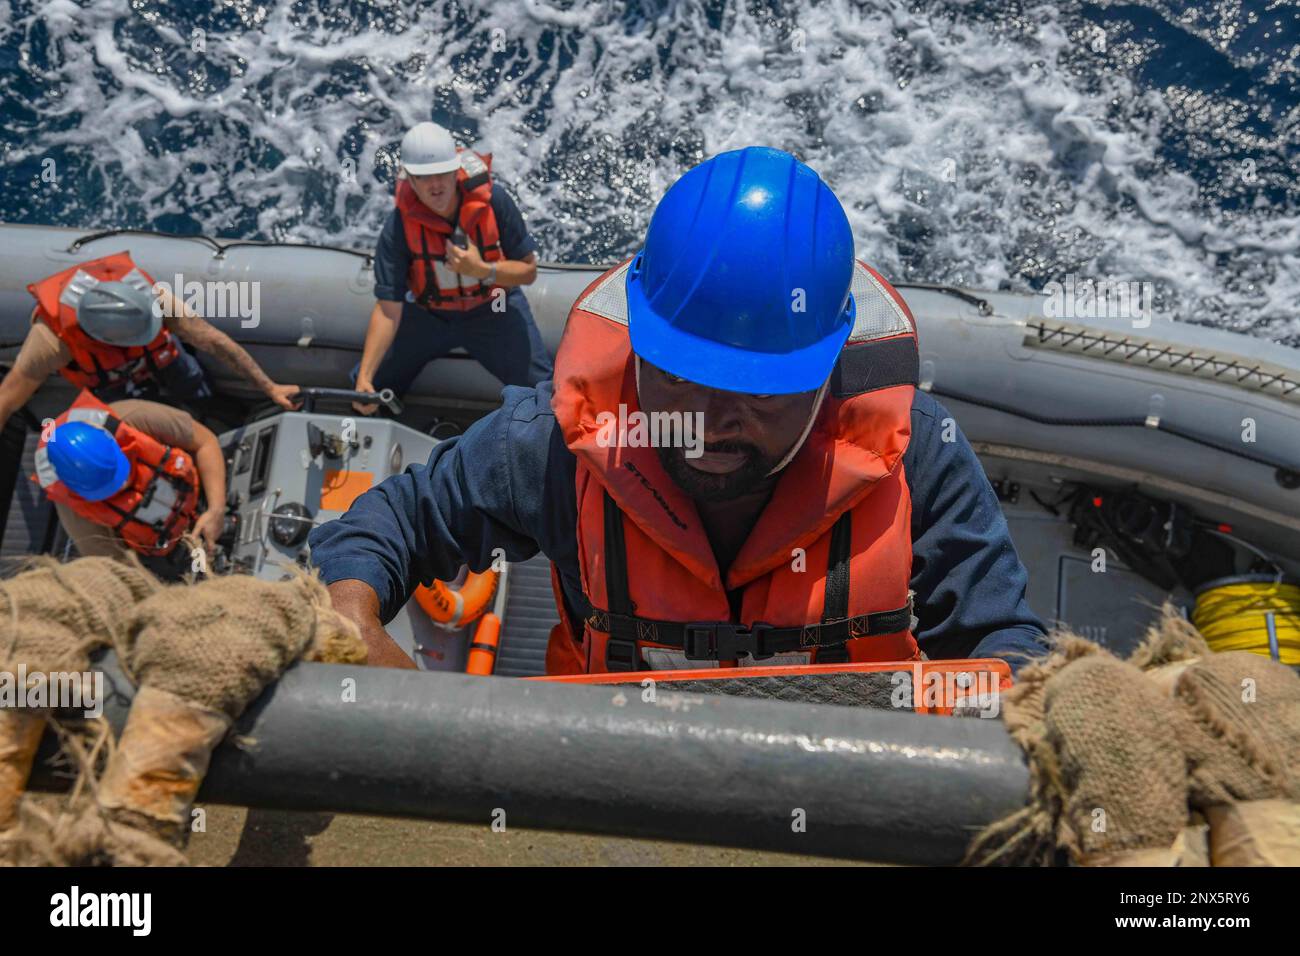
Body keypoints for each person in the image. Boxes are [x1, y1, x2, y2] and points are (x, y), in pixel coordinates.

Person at [311, 147, 1048, 673]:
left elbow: (1002, 645)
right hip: (612, 775)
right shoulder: (555, 445)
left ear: (828, 375)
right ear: (637, 350)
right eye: (675, 376)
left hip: (846, 792)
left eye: (758, 392)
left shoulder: (918, 455)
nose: (706, 419)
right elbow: (396, 521)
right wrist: (350, 612)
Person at [352, 122, 552, 413]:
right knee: (370, 392)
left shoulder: (495, 202)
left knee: (542, 394)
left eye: (442, 173)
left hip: (493, 309)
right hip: (428, 315)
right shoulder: (398, 226)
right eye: (424, 177)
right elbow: (388, 308)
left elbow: (528, 272)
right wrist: (365, 377)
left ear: (456, 170)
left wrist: (483, 270)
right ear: (410, 179)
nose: (436, 185)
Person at [0, 251, 300, 430]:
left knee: (194, 383)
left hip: (164, 359)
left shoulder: (154, 301)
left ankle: (209, 410)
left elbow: (214, 341)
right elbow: (8, 398)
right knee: (130, 424)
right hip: (111, 383)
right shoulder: (52, 341)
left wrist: (270, 387)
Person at [33, 389, 226, 580]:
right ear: (79, 490)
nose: (122, 484)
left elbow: (206, 442)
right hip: (172, 550)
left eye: (119, 473)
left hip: (204, 495)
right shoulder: (75, 511)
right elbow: (121, 571)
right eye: (108, 488)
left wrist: (216, 509)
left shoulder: (133, 418)